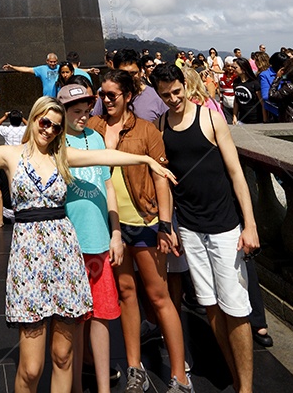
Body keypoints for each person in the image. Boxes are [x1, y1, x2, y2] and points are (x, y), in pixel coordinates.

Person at [0, 95, 175, 393]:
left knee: (63, 354)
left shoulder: (63, 155)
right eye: (45, 122)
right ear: (34, 118)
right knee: (31, 368)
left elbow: (106, 157)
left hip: (65, 253)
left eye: (56, 127)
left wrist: (145, 159)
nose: (49, 130)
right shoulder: (10, 155)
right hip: (28, 257)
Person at [152, 64, 261, 393]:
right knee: (210, 304)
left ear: (185, 85)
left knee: (236, 307)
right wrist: (168, 225)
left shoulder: (211, 118)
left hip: (225, 226)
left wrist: (250, 224)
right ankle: (233, 372)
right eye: (165, 95)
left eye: (176, 91)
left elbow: (236, 173)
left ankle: (246, 388)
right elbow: (166, 182)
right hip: (189, 229)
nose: (173, 99)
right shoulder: (160, 126)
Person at [88, 70, 191, 393]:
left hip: (144, 221)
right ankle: (135, 367)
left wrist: (165, 224)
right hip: (111, 225)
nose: (105, 101)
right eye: (101, 95)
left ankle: (180, 374)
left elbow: (162, 179)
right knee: (126, 295)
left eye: (112, 95)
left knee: (159, 297)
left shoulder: (146, 131)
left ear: (128, 96)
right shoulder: (93, 127)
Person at [57, 84, 122, 393]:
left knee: (103, 314)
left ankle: (103, 387)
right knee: (76, 319)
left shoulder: (95, 138)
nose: (83, 117)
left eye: (86, 110)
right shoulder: (55, 143)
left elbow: (108, 187)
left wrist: (116, 232)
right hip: (71, 243)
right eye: (75, 111)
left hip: (99, 239)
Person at [232, 58, 263, 125]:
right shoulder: (236, 82)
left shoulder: (254, 83)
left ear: (243, 69)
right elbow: (236, 101)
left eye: (235, 67)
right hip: (242, 119)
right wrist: (234, 116)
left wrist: (265, 119)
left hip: (256, 120)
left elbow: (262, 102)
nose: (233, 69)